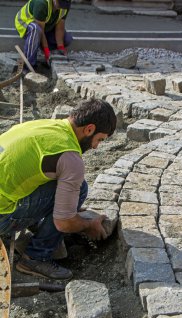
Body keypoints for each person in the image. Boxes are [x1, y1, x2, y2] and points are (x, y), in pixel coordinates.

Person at [0, 99, 117, 280]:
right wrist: (87, 225)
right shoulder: (69, 157)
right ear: (89, 129)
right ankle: (35, 257)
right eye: (99, 140)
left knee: (50, 179)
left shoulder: (45, 125)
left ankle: (37, 224)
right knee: (81, 189)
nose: (95, 147)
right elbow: (65, 223)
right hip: (2, 218)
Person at [15, 0, 73, 70]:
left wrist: (60, 47)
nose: (62, 6)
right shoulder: (41, 3)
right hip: (25, 23)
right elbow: (41, 31)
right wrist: (46, 51)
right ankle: (28, 65)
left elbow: (60, 27)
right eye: (60, 3)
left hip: (45, 26)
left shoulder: (66, 4)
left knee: (67, 39)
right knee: (35, 29)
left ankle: (49, 53)